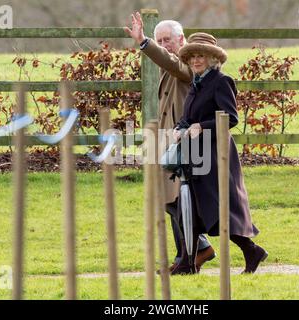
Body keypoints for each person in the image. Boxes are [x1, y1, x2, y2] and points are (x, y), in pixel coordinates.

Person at [124, 12, 216, 274]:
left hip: (188, 143)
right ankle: (195, 250)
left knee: (178, 201)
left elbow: (172, 62)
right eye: (159, 40)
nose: (164, 45)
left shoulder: (187, 67)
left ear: (182, 40)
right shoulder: (171, 67)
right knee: (170, 201)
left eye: (168, 40)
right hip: (170, 140)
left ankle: (190, 255)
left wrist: (144, 42)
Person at [172, 32, 268, 275]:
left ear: (212, 58)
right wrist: (179, 127)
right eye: (192, 56)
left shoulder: (221, 81)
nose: (195, 61)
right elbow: (188, 117)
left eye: (201, 56)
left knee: (218, 211)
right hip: (195, 153)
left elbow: (231, 118)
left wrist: (201, 127)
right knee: (188, 207)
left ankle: (251, 250)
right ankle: (186, 262)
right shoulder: (196, 83)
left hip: (216, 156)